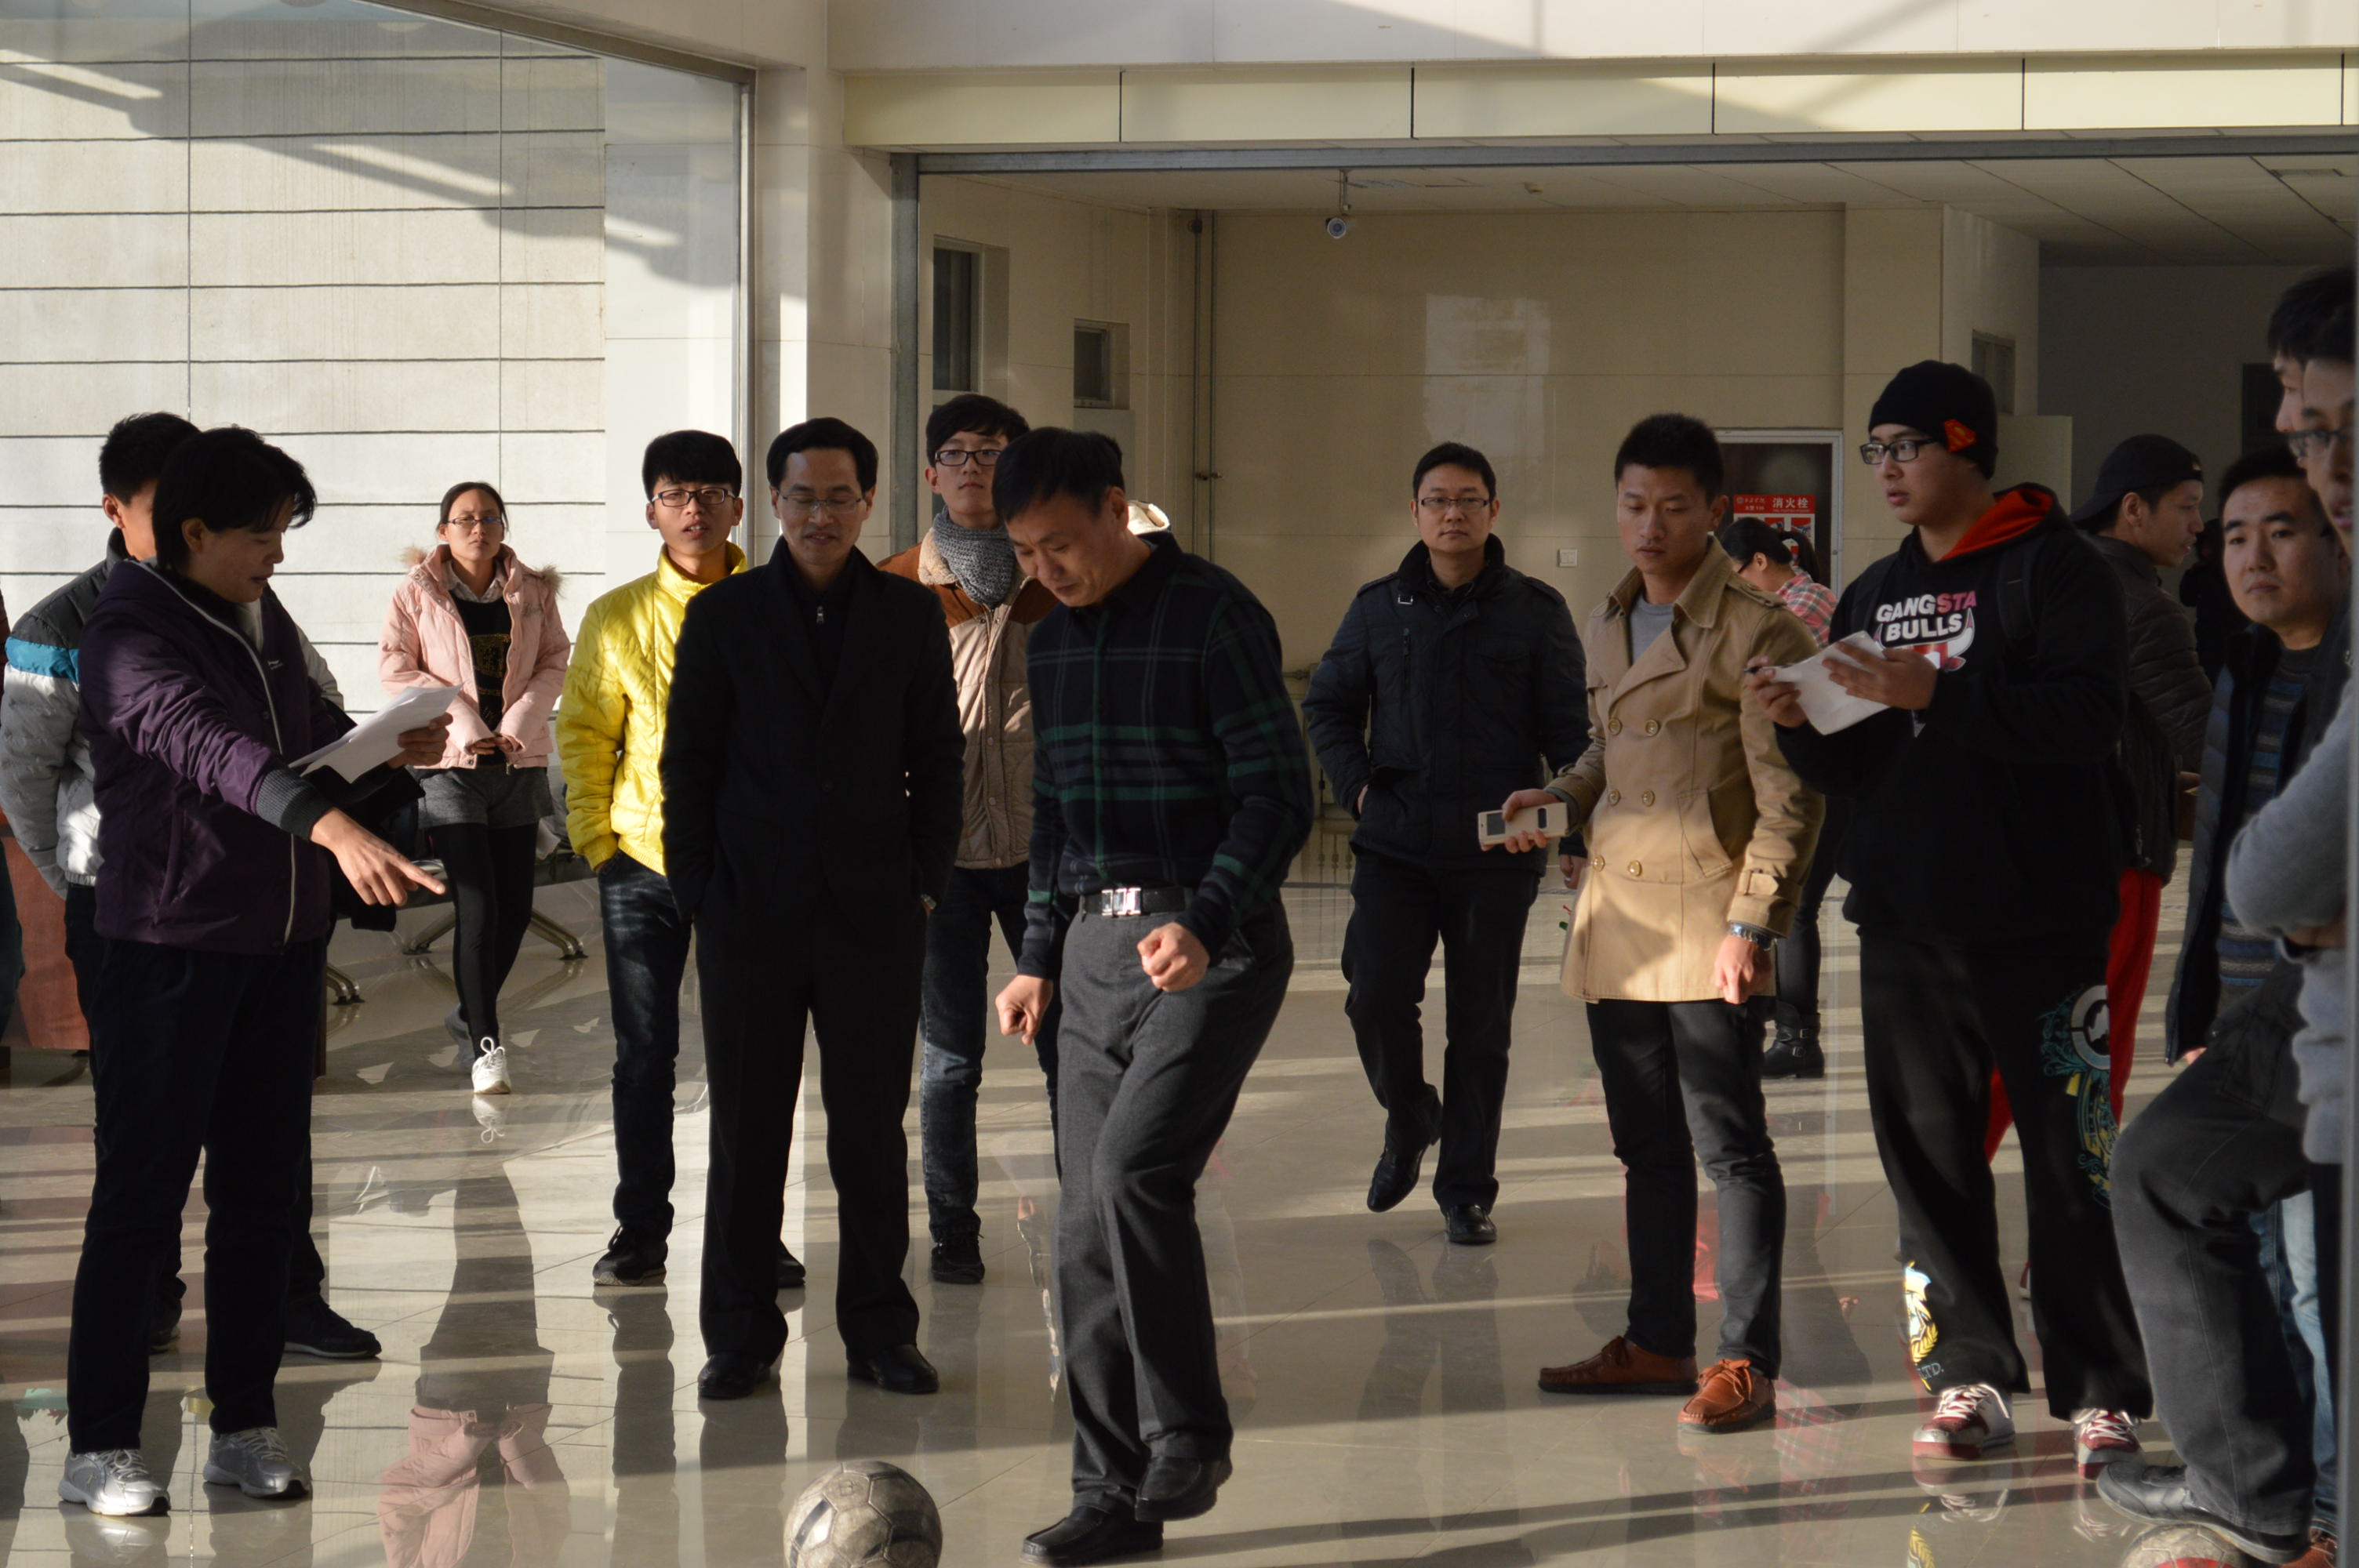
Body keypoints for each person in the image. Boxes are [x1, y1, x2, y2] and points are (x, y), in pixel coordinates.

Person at [1747, 361, 2150, 1474]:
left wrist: (1939, 691)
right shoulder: (1875, 590)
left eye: (1904, 448)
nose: (1884, 469)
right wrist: (1797, 724)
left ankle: (2101, 1391)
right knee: (1927, 1162)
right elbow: (1858, 764)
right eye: (1873, 450)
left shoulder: (2055, 569)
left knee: (2072, 1158)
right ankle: (1965, 1373)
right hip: (1907, 924)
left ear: (1966, 446)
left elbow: (2087, 718)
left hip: (2043, 921)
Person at [60, 427, 449, 1516]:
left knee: (261, 1198)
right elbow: (212, 751)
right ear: (194, 531)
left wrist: (387, 756)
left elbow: (306, 741)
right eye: (261, 535)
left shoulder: (258, 615)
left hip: (277, 948)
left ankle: (243, 1426)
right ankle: (101, 1444)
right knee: (141, 1198)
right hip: (167, 947)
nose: (277, 555)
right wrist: (330, 829)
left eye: (283, 533)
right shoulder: (126, 632)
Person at [992, 430, 1312, 1566]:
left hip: (1212, 944)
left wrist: (1208, 918)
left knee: (1133, 1173)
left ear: (1116, 509)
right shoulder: (1049, 642)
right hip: (1090, 948)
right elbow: (1054, 817)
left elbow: (1278, 794)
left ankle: (1188, 1435)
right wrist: (1036, 954)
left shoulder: (1214, 615)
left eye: (1062, 544)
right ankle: (1111, 1498)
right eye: (1026, 553)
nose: (1047, 570)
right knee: (1082, 1226)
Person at [0, 411, 377, 1362]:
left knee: (268, 1139)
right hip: (135, 908)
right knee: (145, 1135)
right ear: (120, 510)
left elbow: (306, 716)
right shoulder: (72, 624)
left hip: (261, 896)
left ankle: (288, 1301)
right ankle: (144, 1309)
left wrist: (375, 752)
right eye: (171, 502)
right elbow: (28, 775)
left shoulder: (253, 601)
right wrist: (76, 885)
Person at [1514, 415, 1821, 1437]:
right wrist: (1555, 798)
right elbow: (1609, 752)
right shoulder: (1606, 619)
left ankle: (1745, 1360)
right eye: (1634, 504)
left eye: (1674, 506)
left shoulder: (1759, 628)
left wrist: (1754, 925)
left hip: (1705, 924)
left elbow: (1790, 798)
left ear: (1715, 512)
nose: (1650, 525)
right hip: (1619, 923)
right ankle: (1655, 1339)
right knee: (1644, 1145)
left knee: (1730, 1147)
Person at [665, 416, 962, 1403]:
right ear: (773, 503)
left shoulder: (908, 613)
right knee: (747, 1131)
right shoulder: (724, 615)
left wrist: (924, 878)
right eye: (802, 496)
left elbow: (938, 756)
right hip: (748, 910)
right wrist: (698, 889)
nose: (820, 515)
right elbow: (687, 763)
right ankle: (739, 1335)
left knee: (871, 1133)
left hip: (875, 910)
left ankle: (880, 1329)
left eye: (839, 497)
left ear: (868, 502)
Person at [2102, 444, 2348, 1567]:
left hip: (2322, 1009)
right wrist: (2198, 1008)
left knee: (2308, 1268)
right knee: (2258, 1248)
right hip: (2249, 1010)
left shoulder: (2345, 675)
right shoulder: (2242, 667)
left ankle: (2314, 1505)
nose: (2251, 555)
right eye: (2233, 534)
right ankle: (2275, 1492)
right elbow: (2221, 867)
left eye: (2280, 531)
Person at [1303, 441, 1588, 1243]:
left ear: (1493, 510)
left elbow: (1571, 733)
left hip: (1498, 850)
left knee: (1481, 1024)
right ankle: (1410, 1114)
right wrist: (1358, 789)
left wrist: (1574, 828)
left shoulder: (1535, 610)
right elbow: (1327, 707)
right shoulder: (1377, 607)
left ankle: (1465, 1190)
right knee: (1374, 992)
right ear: (1415, 512)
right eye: (1437, 500)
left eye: (1468, 500)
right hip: (1395, 841)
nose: (1452, 514)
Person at [557, 432, 790, 1291]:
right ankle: (640, 1230)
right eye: (675, 494)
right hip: (642, 862)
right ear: (651, 510)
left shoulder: (777, 606)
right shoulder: (615, 615)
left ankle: (754, 1234)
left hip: (748, 863)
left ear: (740, 506)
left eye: (710, 493)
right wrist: (598, 842)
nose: (693, 509)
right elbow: (585, 731)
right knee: (644, 1055)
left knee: (750, 1055)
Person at [881, 392, 1060, 1287]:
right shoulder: (895, 585)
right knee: (949, 1060)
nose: (972, 467)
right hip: (939, 856)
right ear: (929, 472)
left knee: (1070, 1047)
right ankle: (953, 1227)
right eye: (955, 453)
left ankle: (1089, 1207)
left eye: (991, 452)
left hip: (1045, 848)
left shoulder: (1058, 575)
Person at [1995, 435, 2209, 1152]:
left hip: (2034, 851)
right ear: (2134, 509)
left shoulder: (2047, 581)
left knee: (2016, 1050)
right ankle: (2080, 1215)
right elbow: (2204, 736)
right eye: (2187, 506)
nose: (2198, 525)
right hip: (2119, 857)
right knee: (2094, 1055)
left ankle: (1941, 1210)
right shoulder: (2139, 604)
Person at [380, 481, 570, 1096]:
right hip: (449, 766)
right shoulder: (416, 592)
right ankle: (487, 1045)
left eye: (489, 517)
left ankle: (467, 1014)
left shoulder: (533, 590)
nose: (478, 528)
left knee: (513, 909)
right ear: (443, 531)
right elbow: (396, 667)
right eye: (464, 519)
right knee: (478, 905)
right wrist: (467, 722)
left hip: (518, 764)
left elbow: (555, 660)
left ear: (503, 527)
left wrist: (517, 726)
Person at [1716, 516, 1845, 1079]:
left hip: (1816, 777)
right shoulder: (1795, 600)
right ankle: (1782, 1028)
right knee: (1789, 910)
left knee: (1795, 911)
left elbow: (1756, 679)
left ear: (1760, 564)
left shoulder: (1799, 606)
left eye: (1734, 575)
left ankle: (1798, 1040)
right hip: (1805, 772)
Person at [1719, 517, 1838, 644]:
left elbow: (1763, 650)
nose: (1736, 585)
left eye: (1736, 576)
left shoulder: (1806, 601)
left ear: (1760, 561)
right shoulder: (1776, 601)